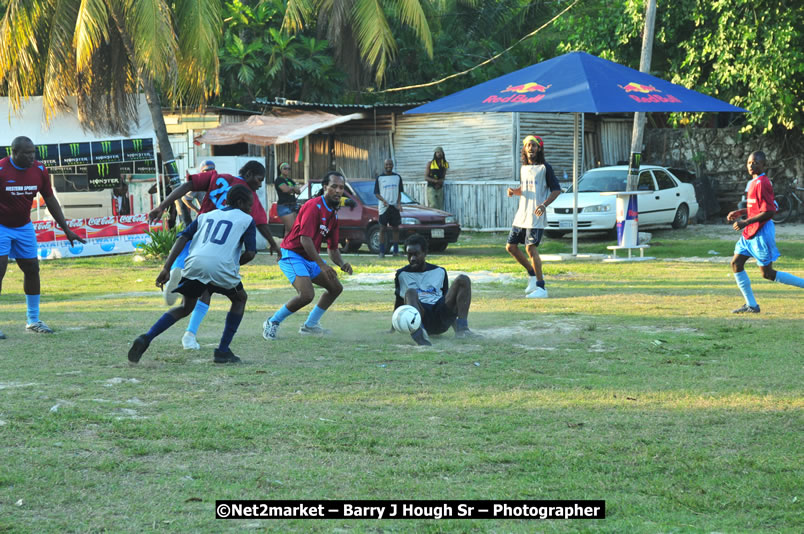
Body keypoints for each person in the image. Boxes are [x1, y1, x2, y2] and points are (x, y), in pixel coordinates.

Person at [149, 160, 279, 350]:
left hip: (201, 233)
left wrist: (162, 206)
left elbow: (187, 186)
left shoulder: (217, 177)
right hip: (220, 249)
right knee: (226, 295)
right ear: (250, 174)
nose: (260, 185)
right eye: (259, 180)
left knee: (189, 258)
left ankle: (176, 270)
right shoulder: (247, 195)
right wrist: (273, 242)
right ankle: (199, 339)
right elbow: (259, 224)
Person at [128, 185, 256, 364]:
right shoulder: (247, 219)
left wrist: (166, 268)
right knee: (240, 299)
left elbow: (182, 238)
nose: (251, 209)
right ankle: (223, 350)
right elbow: (250, 253)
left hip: (194, 263)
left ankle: (146, 338)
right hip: (221, 268)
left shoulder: (205, 216)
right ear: (241, 202)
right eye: (249, 205)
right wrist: (232, 264)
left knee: (185, 308)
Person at [0, 136, 86, 339]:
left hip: (24, 226)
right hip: (1, 226)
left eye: (33, 153)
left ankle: (33, 320)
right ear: (13, 152)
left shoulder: (39, 170)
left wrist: (66, 228)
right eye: (27, 153)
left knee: (32, 268)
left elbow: (49, 199)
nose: (32, 157)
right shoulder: (2, 169)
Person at [262, 172, 353, 340]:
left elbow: (333, 249)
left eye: (341, 187)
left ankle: (310, 325)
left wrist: (341, 263)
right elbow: (305, 240)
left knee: (336, 288)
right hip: (291, 254)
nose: (338, 191)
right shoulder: (313, 206)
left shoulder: (333, 214)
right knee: (306, 295)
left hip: (309, 257)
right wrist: (322, 265)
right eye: (334, 186)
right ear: (325, 187)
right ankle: (272, 322)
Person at [726, 151, 804, 313]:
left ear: (764, 165)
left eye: (755, 162)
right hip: (750, 231)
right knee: (736, 263)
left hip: (761, 232)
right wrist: (740, 212)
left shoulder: (763, 183)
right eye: (749, 162)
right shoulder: (753, 182)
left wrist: (745, 221)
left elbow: (769, 211)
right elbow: (759, 206)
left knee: (767, 273)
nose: (751, 165)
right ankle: (752, 305)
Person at [393, 234, 480, 346]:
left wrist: (456, 328)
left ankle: (463, 329)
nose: (412, 258)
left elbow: (449, 300)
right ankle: (419, 334)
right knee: (410, 292)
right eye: (409, 255)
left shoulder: (440, 271)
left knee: (463, 279)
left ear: (425, 253)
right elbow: (400, 301)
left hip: (440, 314)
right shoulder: (402, 274)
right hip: (421, 316)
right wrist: (393, 327)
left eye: (416, 254)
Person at [506, 135, 561, 299]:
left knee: (530, 248)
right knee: (511, 247)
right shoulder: (523, 168)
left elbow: (556, 190)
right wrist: (514, 191)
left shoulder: (545, 168)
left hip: (535, 216)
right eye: (528, 145)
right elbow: (525, 189)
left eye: (534, 145)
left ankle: (541, 287)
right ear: (524, 149)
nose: (531, 148)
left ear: (539, 149)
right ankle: (531, 274)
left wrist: (544, 205)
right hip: (521, 215)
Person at [374, 158, 404, 258]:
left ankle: (395, 251)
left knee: (395, 228)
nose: (388, 166)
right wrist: (383, 200)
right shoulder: (379, 178)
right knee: (382, 228)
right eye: (387, 164)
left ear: (393, 165)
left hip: (394, 206)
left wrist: (399, 204)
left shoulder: (397, 177)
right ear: (384, 165)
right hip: (384, 207)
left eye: (390, 164)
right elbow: (376, 193)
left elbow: (399, 193)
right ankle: (381, 252)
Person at [275, 162, 302, 234]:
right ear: (280, 170)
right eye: (285, 168)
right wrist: (293, 188)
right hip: (284, 206)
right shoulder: (279, 180)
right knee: (293, 229)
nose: (287, 170)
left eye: (289, 169)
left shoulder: (290, 180)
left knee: (288, 230)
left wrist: (291, 188)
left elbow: (298, 191)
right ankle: (291, 245)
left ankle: (285, 245)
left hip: (293, 205)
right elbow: (285, 190)